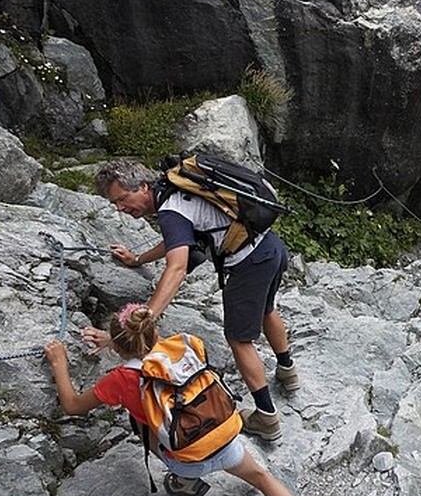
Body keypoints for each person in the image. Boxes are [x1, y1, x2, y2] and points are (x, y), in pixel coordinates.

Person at [45, 304, 331, 496]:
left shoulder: (120, 380)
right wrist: (116, 340)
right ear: (155, 332)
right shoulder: (181, 347)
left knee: (142, 420)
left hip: (183, 458)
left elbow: (71, 405)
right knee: (261, 477)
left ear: (118, 348)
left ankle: (184, 481)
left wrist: (60, 363)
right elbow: (145, 343)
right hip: (224, 439)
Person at [91, 160, 295, 442]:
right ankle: (287, 371)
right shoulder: (175, 191)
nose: (120, 208)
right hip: (270, 247)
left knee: (238, 339)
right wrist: (137, 259)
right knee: (266, 309)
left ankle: (266, 417)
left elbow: (176, 267)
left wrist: (146, 316)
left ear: (142, 187)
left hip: (248, 262)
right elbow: (177, 241)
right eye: (115, 203)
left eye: (123, 199)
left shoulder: (171, 207)